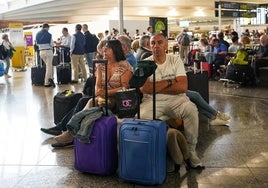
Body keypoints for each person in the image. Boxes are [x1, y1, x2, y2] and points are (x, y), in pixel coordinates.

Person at [51, 39, 133, 147]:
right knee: (84, 101)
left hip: (118, 99)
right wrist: (101, 93)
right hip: (101, 97)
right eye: (103, 47)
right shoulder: (101, 65)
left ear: (115, 50)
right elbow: (97, 86)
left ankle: (69, 133)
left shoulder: (124, 66)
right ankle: (68, 131)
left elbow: (124, 87)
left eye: (107, 48)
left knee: (89, 101)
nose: (104, 49)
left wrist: (105, 92)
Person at [139, 33, 203, 169]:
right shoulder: (146, 64)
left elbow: (183, 87)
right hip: (152, 101)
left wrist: (156, 87)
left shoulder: (175, 60)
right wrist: (170, 81)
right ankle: (153, 151)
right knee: (141, 118)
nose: (156, 46)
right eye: (153, 43)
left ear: (166, 45)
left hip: (177, 100)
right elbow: (144, 89)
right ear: (149, 46)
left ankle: (191, 150)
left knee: (191, 109)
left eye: (160, 42)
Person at [35, 23, 55, 87]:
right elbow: (52, 44)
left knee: (48, 66)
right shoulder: (49, 35)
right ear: (47, 27)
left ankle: (51, 78)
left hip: (41, 52)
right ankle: (46, 82)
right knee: (49, 67)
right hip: (48, 51)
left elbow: (37, 44)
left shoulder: (37, 34)